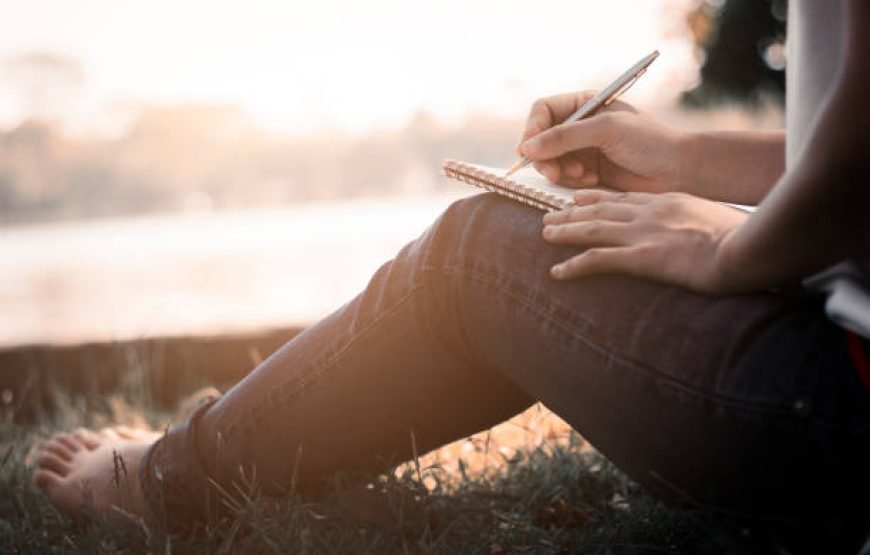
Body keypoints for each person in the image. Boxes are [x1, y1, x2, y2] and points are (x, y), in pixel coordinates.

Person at [33, 0, 869, 543]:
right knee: (518, 239)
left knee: (477, 256)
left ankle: (171, 483)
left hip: (841, 404)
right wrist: (680, 158)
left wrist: (729, 250)